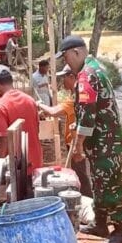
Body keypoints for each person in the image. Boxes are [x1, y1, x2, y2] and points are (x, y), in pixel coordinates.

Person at [57, 35, 122, 243]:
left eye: (66, 57)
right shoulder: (94, 68)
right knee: (99, 182)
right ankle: (100, 224)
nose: (66, 63)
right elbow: (87, 113)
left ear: (77, 52)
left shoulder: (86, 76)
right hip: (102, 141)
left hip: (104, 143)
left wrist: (78, 144)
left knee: (110, 184)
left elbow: (88, 116)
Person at [35, 64, 93, 198]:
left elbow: (54, 111)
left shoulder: (75, 99)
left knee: (81, 177)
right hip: (75, 142)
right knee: (80, 174)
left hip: (77, 143)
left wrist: (39, 104)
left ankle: (86, 203)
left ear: (72, 77)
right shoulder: (75, 96)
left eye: (64, 77)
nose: (63, 81)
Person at [0, 64, 43, 178]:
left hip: (17, 169)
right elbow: (36, 130)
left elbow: (2, 140)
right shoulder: (30, 100)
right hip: (36, 163)